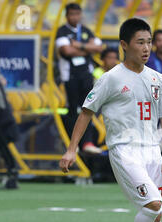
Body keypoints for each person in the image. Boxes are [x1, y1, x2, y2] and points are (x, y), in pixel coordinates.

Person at [59, 18, 162, 222]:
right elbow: (86, 113)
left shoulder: (157, 79)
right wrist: (71, 150)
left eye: (149, 42)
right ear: (124, 45)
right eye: (140, 42)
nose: (146, 48)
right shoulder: (110, 79)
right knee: (153, 204)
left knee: (158, 213)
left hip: (152, 151)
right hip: (124, 151)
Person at [55, 3, 103, 154]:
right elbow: (66, 51)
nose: (75, 17)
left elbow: (99, 48)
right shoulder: (62, 32)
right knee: (72, 110)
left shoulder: (86, 31)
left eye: (77, 14)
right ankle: (72, 145)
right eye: (72, 14)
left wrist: (78, 45)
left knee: (87, 108)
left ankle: (87, 142)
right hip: (70, 76)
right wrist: (87, 49)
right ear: (66, 16)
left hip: (86, 75)